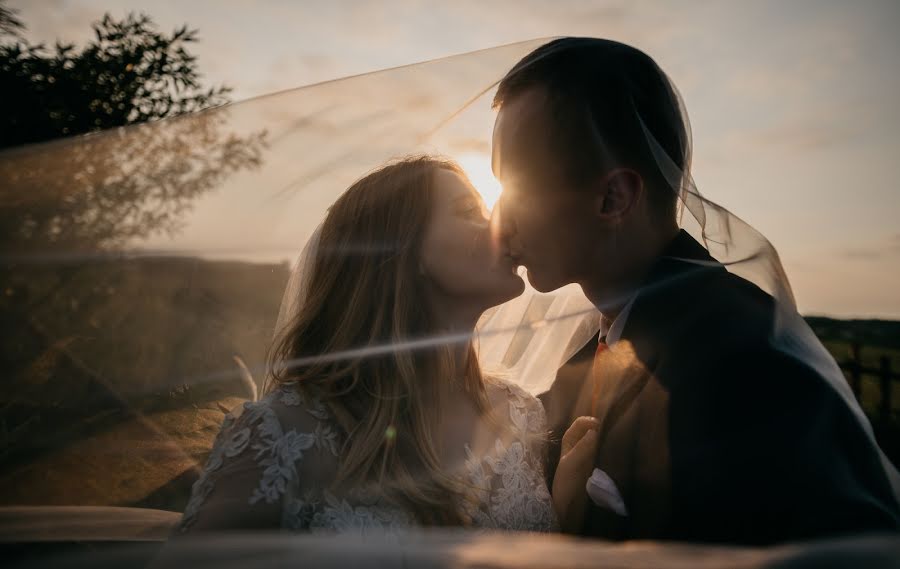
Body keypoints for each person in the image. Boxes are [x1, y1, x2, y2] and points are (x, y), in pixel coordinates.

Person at [490, 37, 900, 544]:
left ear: (614, 197)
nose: (499, 221)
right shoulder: (584, 359)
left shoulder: (747, 360)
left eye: (517, 187)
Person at [174, 156, 594, 535]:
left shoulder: (520, 415)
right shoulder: (281, 434)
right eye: (470, 212)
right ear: (402, 252)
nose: (503, 228)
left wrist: (565, 514)